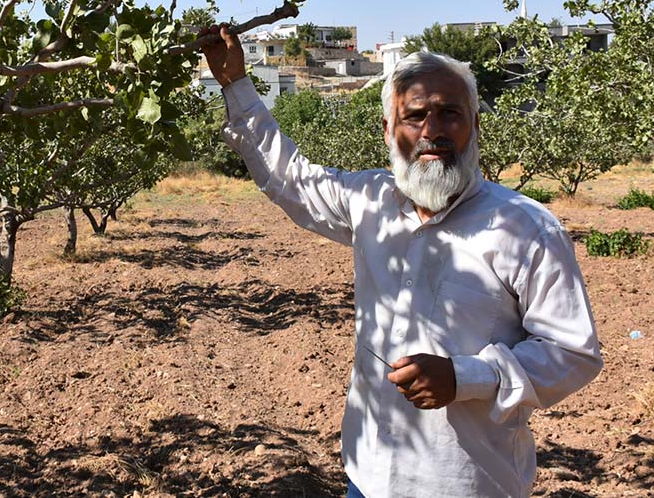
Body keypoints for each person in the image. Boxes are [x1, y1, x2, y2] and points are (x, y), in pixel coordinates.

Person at [198, 26, 602, 498]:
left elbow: (573, 352)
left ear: (474, 124)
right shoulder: (370, 201)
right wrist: (236, 87)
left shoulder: (525, 228)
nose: (433, 131)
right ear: (389, 130)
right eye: (415, 115)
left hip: (468, 485)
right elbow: (290, 179)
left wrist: (464, 377)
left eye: (449, 113)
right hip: (367, 475)